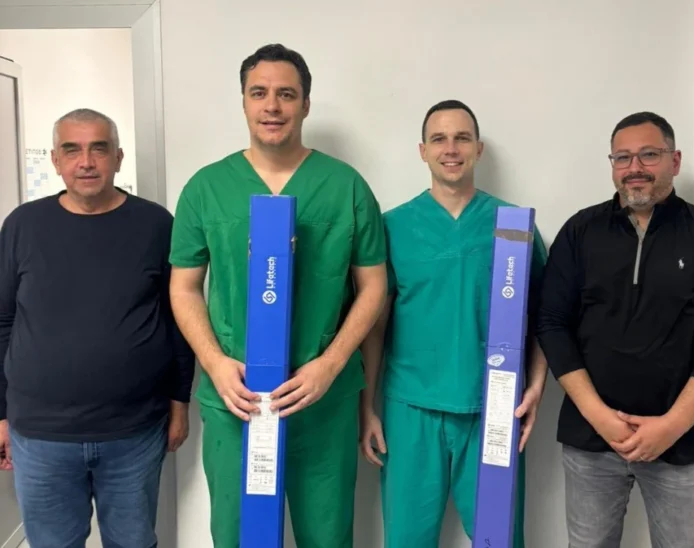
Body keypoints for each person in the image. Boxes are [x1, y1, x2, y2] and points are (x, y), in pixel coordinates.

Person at [168, 43, 388, 548]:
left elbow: (374, 286)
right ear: (243, 102)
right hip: (237, 400)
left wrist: (330, 364)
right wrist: (216, 364)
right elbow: (184, 287)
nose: (272, 106)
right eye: (259, 93)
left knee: (327, 536)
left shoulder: (347, 187)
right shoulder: (206, 188)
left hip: (323, 400)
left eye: (286, 94)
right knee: (238, 535)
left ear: (305, 104)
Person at [537, 111, 694, 548]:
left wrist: (671, 426)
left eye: (648, 155)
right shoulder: (580, 232)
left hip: (684, 443)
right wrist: (600, 417)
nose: (634, 167)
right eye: (622, 157)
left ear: (675, 160)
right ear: (612, 165)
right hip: (592, 439)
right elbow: (552, 324)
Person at [358, 99, 549, 548]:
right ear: (422, 151)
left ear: (478, 149)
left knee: (499, 540)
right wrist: (367, 406)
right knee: (406, 540)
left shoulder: (514, 226)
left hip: (493, 408)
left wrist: (537, 385)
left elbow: (544, 316)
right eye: (439, 139)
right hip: (410, 408)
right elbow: (375, 326)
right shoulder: (393, 227)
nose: (451, 148)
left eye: (462, 138)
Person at [0, 108, 194, 548]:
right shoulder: (22, 225)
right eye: (72, 150)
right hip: (40, 434)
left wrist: (180, 401)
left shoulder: (156, 224)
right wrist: (1, 414)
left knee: (133, 542)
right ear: (55, 160)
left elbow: (179, 318)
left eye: (99, 149)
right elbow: (2, 320)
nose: (86, 162)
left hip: (135, 431)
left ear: (118, 157)